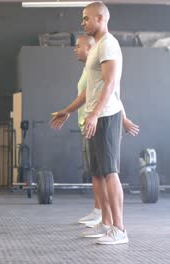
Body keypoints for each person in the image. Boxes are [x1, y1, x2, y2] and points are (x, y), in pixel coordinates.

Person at [50, 2, 132, 245]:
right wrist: (68, 111)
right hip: (97, 115)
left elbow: (110, 84)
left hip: (106, 115)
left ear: (100, 18)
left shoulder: (108, 44)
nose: (82, 22)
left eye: (86, 18)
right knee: (100, 173)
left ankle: (119, 229)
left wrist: (94, 115)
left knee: (110, 173)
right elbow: (89, 90)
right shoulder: (97, 48)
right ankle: (107, 224)